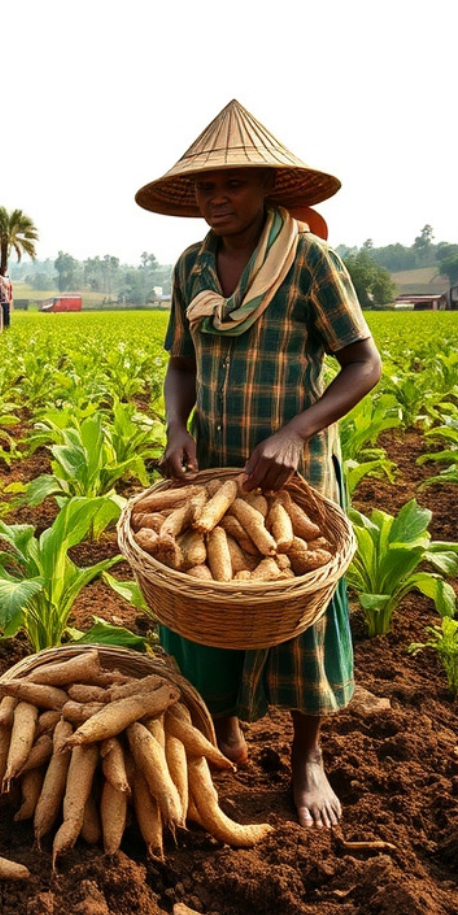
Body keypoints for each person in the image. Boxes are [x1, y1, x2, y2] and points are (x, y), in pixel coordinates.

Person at [137, 99, 383, 828]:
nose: (218, 200)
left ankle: (307, 756)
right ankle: (224, 726)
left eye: (234, 186)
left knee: (298, 602)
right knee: (207, 597)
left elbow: (364, 363)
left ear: (269, 187)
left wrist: (298, 432)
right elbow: (180, 362)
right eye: (207, 190)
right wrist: (177, 426)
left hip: (290, 475)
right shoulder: (192, 266)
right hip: (213, 469)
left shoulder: (310, 260)